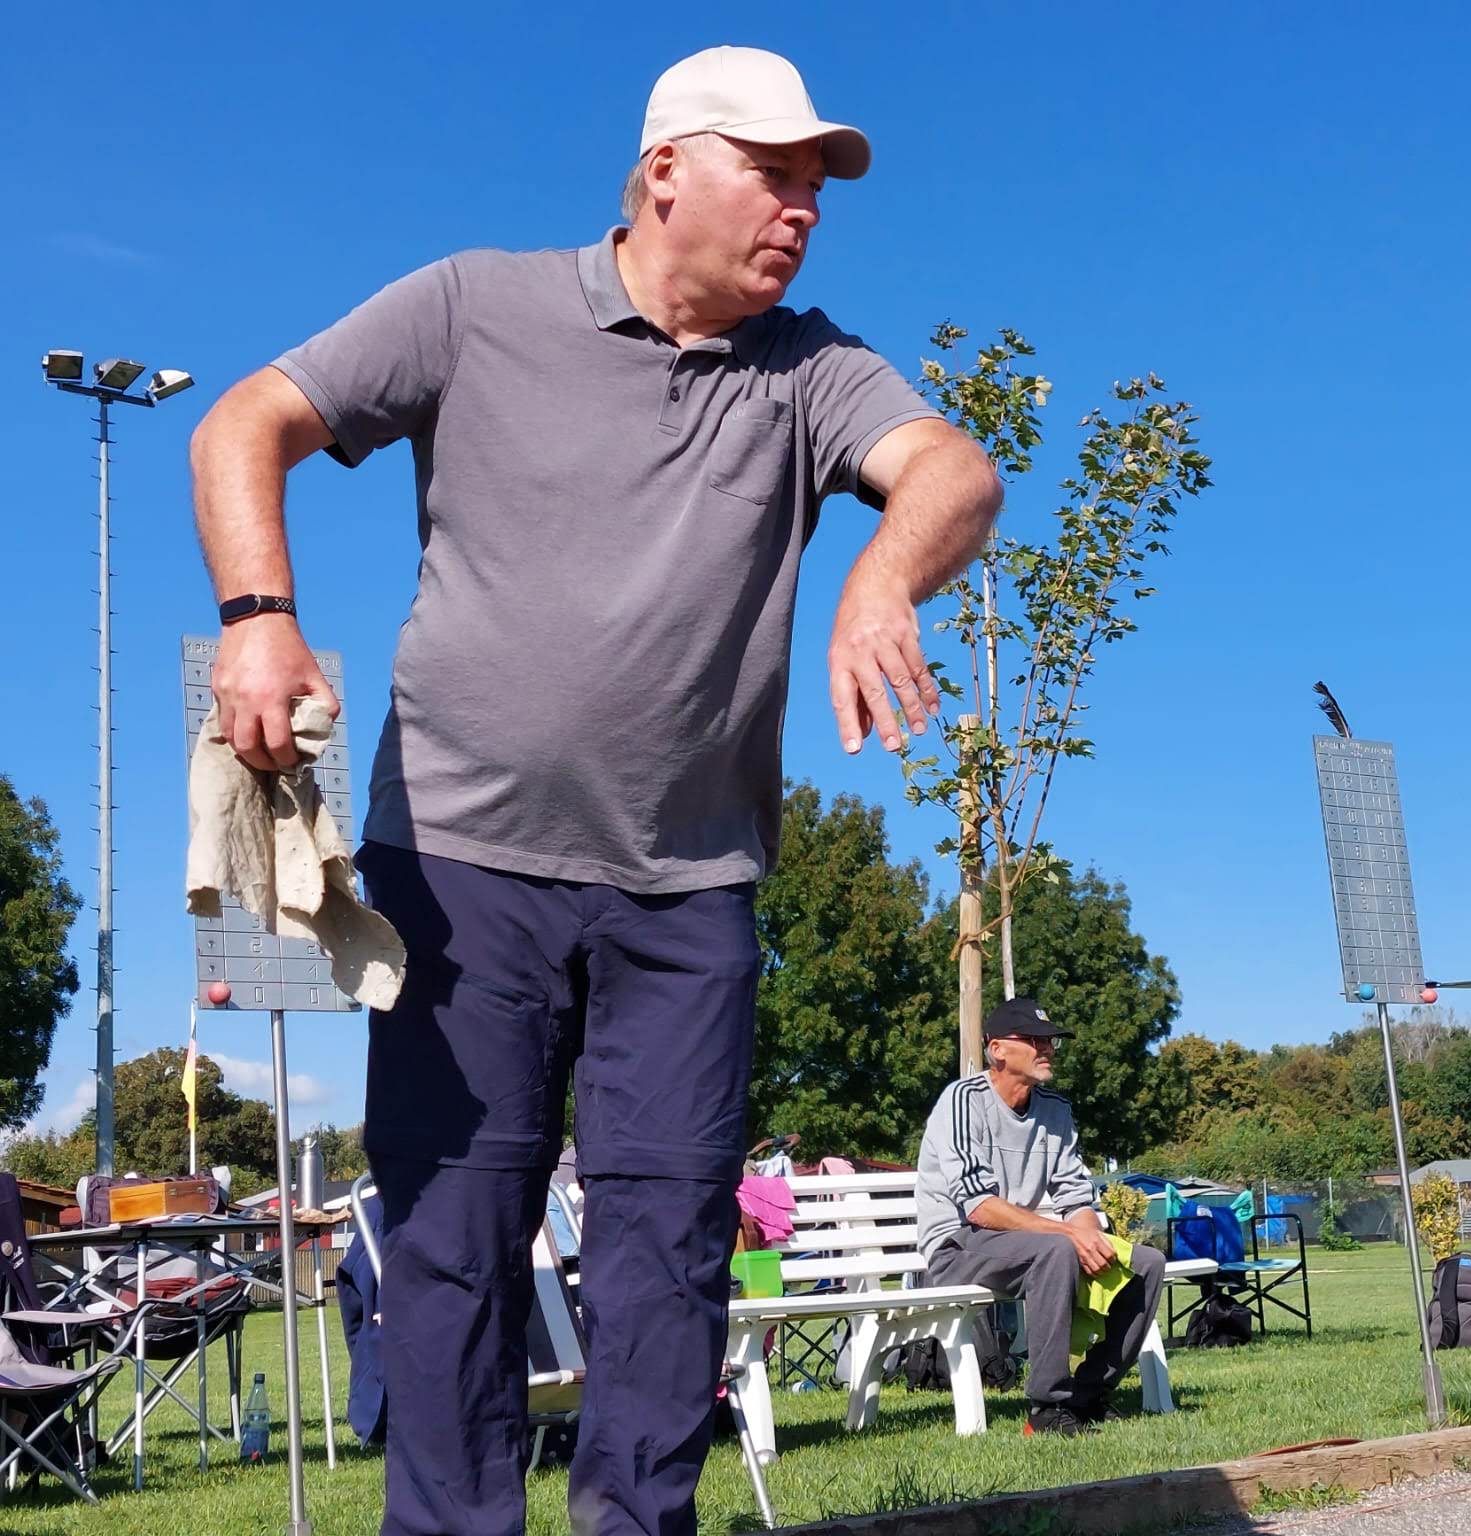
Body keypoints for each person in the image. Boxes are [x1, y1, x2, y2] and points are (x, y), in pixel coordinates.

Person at [189, 45, 1001, 1535]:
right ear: (664, 171)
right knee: (451, 1239)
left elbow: (954, 470)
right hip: (459, 863)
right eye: (775, 174)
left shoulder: (810, 368)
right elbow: (243, 421)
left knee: (672, 1246)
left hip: (687, 888)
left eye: (817, 186)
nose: (804, 210)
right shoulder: (473, 304)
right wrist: (257, 619)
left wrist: (883, 574)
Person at [914, 997, 1166, 1436]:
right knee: (1056, 1250)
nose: (1047, 1048)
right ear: (997, 1049)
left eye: (1051, 1041)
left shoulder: (1055, 1110)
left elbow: (1076, 1196)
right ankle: (1047, 1409)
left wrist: (1089, 1239)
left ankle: (1087, 1396)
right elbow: (979, 1206)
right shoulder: (962, 1100)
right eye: (1034, 1040)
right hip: (956, 1248)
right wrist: (1070, 1237)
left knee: (1146, 1263)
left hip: (1020, 1246)